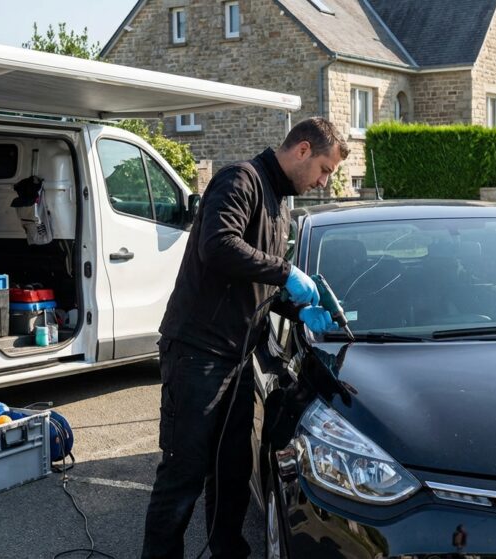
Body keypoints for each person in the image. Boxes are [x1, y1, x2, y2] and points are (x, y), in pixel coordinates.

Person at [142, 117, 350, 558]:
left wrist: (297, 308)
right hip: (197, 353)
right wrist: (287, 271)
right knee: (183, 474)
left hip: (238, 358)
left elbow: (259, 285)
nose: (323, 182)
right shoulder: (240, 180)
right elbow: (218, 245)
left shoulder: (281, 204)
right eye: (325, 170)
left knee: (231, 470)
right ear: (303, 150)